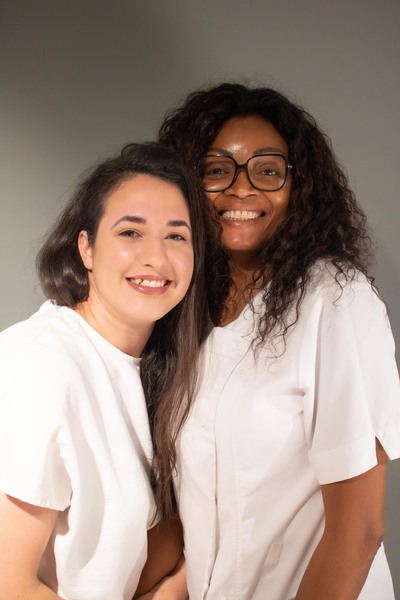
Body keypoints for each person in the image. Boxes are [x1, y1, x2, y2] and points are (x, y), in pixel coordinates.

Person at [158, 83, 400, 599]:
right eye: (217, 169)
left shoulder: (334, 300)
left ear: (300, 187)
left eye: (267, 171)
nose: (241, 189)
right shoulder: (186, 310)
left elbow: (359, 530)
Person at [0, 142, 213, 600]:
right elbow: (8, 586)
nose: (156, 258)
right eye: (131, 232)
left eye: (176, 236)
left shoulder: (154, 368)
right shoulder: (39, 364)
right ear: (87, 248)